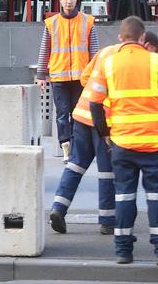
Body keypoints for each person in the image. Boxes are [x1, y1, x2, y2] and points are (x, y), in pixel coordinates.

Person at [90, 16, 158, 266]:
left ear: (121, 38)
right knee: (156, 197)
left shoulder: (107, 63)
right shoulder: (157, 63)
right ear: (142, 38)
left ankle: (123, 251)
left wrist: (105, 134)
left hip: (121, 141)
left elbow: (95, 103)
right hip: (154, 143)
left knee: (124, 197)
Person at [49, 43, 119, 235]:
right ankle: (108, 220)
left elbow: (85, 78)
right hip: (104, 121)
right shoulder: (132, 60)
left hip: (82, 115)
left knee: (74, 165)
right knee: (107, 171)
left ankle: (58, 208)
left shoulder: (105, 51)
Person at [37, 0, 99, 162]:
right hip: (59, 76)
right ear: (60, 0)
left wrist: (96, 76)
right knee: (62, 114)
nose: (69, 1)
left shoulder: (88, 22)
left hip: (81, 78)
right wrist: (41, 76)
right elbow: (44, 49)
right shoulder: (52, 23)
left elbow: (95, 52)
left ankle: (77, 149)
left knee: (78, 115)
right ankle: (66, 148)